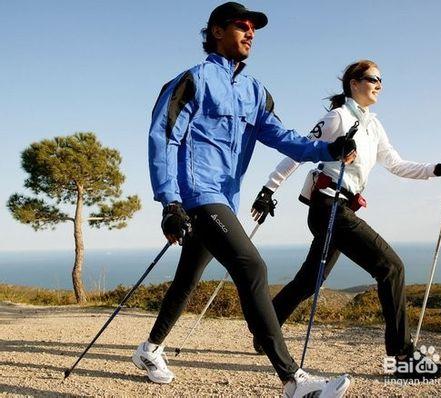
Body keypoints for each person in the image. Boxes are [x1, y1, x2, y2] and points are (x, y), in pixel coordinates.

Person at [133, 3, 352, 397]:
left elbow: (282, 137)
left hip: (225, 198)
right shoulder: (192, 81)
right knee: (252, 266)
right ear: (216, 31)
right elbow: (161, 137)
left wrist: (330, 149)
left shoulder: (255, 91)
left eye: (254, 29)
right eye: (242, 26)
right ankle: (292, 380)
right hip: (196, 196)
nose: (250, 33)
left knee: (186, 280)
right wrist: (169, 202)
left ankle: (150, 349)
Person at [251, 59, 441, 380]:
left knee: (310, 280)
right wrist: (269, 189)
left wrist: (439, 168)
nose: (379, 84)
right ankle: (402, 357)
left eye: (381, 80)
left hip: (343, 209)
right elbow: (299, 151)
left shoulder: (374, 125)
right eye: (372, 79)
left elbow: (396, 164)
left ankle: (264, 332)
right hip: (328, 207)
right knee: (391, 267)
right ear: (354, 83)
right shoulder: (337, 117)